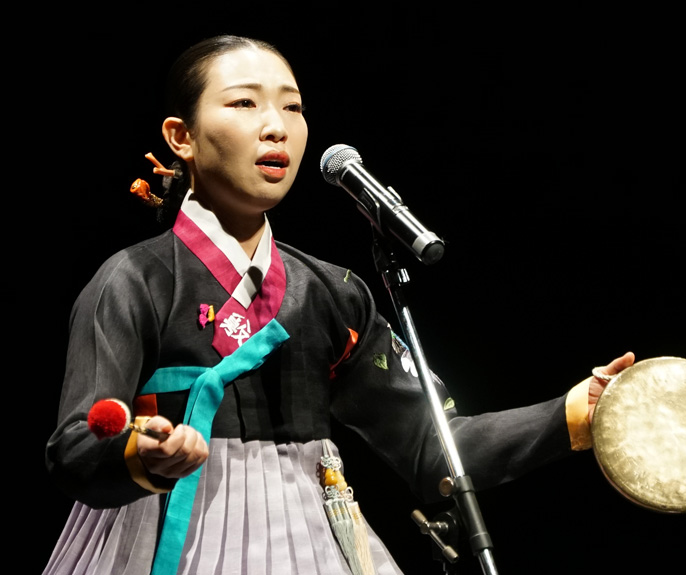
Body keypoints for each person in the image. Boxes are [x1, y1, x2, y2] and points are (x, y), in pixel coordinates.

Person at [43, 34, 635, 575]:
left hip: (311, 545)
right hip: (162, 541)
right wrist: (142, 454)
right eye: (244, 104)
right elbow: (76, 447)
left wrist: (573, 413)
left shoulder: (334, 292)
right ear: (182, 136)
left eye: (293, 108)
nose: (275, 127)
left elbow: (434, 449)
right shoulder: (136, 280)